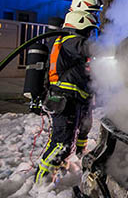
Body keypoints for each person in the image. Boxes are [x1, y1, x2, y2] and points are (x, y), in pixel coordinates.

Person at [35, 10, 98, 184]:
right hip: (63, 101)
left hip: (71, 101)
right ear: (80, 24)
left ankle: (56, 175)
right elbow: (89, 48)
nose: (91, 35)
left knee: (65, 144)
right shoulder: (70, 40)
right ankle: (42, 183)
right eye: (89, 30)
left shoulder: (73, 46)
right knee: (60, 144)